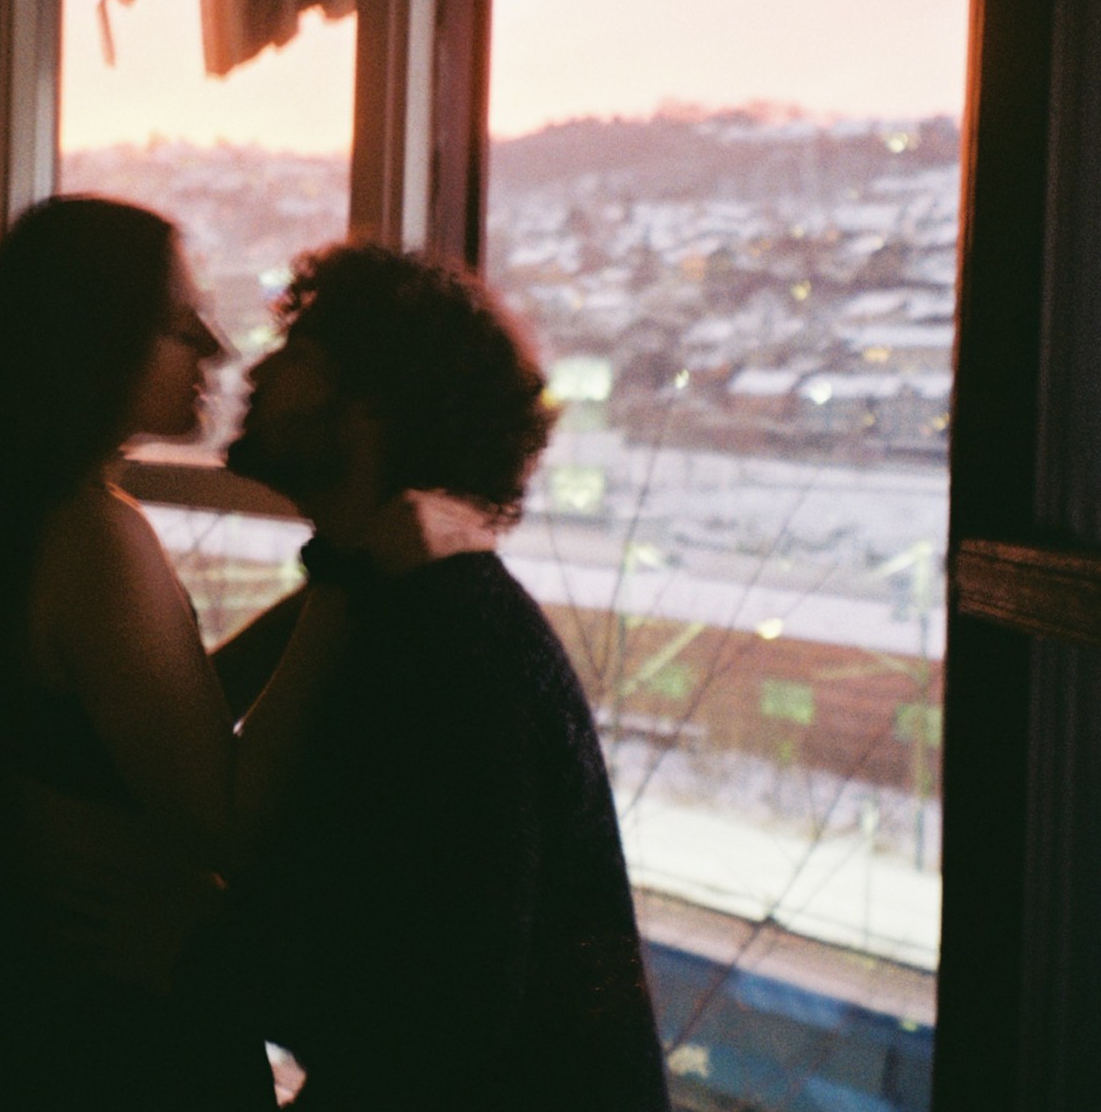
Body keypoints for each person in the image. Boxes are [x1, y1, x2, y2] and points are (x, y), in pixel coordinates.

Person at [49, 244, 670, 1109]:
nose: (255, 367)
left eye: (297, 352)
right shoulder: (397, 607)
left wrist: (199, 949)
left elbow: (443, 1014)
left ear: (370, 402)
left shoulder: (449, 642)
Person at [0, 196, 426, 1109]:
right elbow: (226, 816)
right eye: (178, 319)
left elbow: (145, 713)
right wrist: (347, 573)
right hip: (98, 1055)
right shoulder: (90, 537)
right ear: (89, 337)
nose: (215, 345)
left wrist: (316, 594)